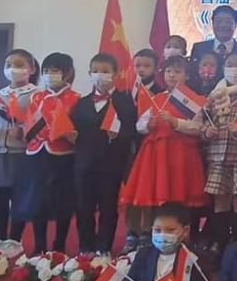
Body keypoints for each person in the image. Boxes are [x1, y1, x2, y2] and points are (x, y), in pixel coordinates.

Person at [120, 56, 209, 251]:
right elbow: (140, 125)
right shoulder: (156, 98)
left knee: (180, 193)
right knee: (155, 192)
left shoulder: (192, 100)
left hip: (181, 154)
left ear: (187, 75)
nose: (172, 75)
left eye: (177, 71)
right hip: (156, 154)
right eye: (168, 71)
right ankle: (150, 233)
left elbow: (198, 127)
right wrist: (147, 125)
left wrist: (176, 123)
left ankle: (182, 235)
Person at [12, 52, 81, 255]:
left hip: (63, 155)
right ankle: (40, 245)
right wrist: (21, 131)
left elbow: (80, 131)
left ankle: (59, 245)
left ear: (68, 73)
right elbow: (29, 125)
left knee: (63, 202)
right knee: (38, 201)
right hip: (36, 154)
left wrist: (73, 135)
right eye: (47, 71)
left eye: (55, 70)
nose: (50, 74)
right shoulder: (37, 97)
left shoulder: (76, 99)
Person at [71, 53, 138, 256]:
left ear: (116, 74)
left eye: (105, 71)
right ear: (89, 73)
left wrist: (119, 134)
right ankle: (85, 247)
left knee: (108, 207)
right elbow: (74, 130)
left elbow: (133, 131)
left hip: (111, 164)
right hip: (84, 164)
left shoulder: (125, 102)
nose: (100, 75)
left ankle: (104, 247)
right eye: (95, 71)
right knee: (84, 206)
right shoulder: (81, 103)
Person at [0, 48, 40, 257]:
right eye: (8, 65)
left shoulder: (37, 95)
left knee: (19, 198)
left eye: (19, 65)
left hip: (21, 153)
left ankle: (15, 240)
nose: (13, 69)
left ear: (31, 69)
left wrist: (23, 132)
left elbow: (40, 124)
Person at [200, 52, 237, 252]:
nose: (234, 69)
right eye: (230, 64)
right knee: (220, 201)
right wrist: (207, 132)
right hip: (217, 155)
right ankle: (220, 241)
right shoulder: (214, 96)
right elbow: (202, 123)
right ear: (223, 68)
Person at [123, 49, 167, 253]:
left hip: (149, 148)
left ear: (156, 68)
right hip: (126, 147)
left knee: (148, 190)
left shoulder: (161, 93)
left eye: (146, 66)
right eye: (137, 65)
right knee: (129, 191)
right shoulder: (125, 91)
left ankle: (147, 231)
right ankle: (131, 231)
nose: (141, 70)